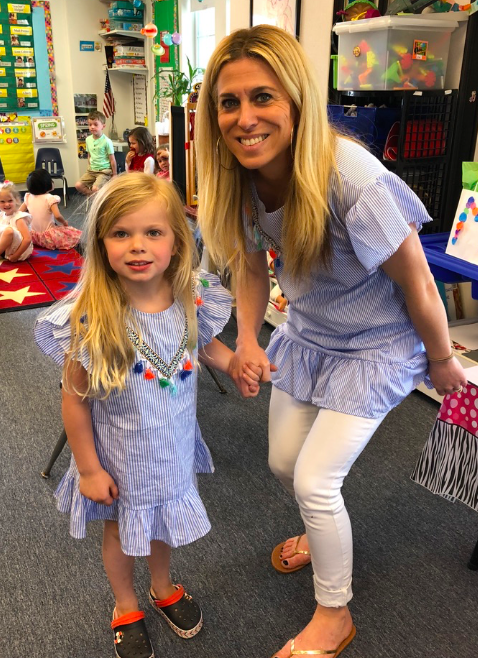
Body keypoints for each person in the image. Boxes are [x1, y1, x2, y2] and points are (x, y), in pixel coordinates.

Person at [195, 25, 467, 658]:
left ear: (295, 100)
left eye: (262, 97)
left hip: (379, 346)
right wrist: (249, 339)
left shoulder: (351, 178)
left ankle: (334, 613)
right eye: (228, 102)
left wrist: (441, 359)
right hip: (312, 335)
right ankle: (324, 533)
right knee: (285, 463)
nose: (244, 118)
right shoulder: (239, 176)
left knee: (316, 481)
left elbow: (420, 282)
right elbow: (252, 266)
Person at [34, 173, 260, 658]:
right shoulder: (93, 314)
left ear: (177, 241)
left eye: (152, 233)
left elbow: (204, 346)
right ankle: (125, 604)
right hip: (118, 456)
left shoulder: (188, 296)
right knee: (119, 532)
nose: (138, 246)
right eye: (121, 234)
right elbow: (73, 398)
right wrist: (90, 469)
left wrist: (235, 363)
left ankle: (162, 587)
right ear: (100, 242)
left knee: (163, 526)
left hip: (172, 445)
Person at [21, 168, 82, 250]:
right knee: (73, 234)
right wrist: (64, 222)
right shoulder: (50, 198)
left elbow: (19, 212)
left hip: (33, 236)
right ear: (46, 184)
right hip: (48, 238)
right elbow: (57, 216)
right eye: (50, 180)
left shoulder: (28, 197)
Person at [75, 110, 117, 196]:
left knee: (95, 188)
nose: (92, 127)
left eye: (95, 124)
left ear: (103, 126)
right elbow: (89, 155)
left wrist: (114, 174)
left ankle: (96, 198)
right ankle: (94, 197)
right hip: (92, 171)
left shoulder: (107, 141)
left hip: (104, 171)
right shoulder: (88, 139)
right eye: (90, 124)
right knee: (78, 185)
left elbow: (112, 159)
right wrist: (89, 166)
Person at [0, 181, 32, 262]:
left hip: (18, 251)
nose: (7, 204)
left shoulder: (18, 218)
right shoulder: (2, 215)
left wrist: (16, 256)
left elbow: (27, 239)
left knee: (8, 231)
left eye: (10, 201)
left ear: (16, 200)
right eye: (2, 201)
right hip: (6, 248)